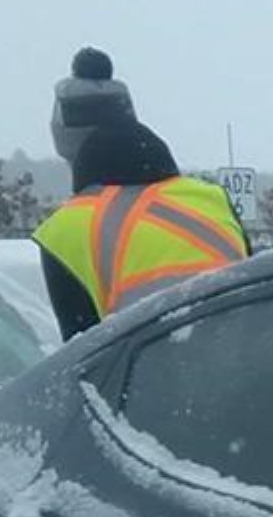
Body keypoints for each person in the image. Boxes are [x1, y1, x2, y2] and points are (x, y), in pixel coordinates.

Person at [28, 48, 251, 341]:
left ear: (64, 142)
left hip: (154, 382)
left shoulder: (68, 231)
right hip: (249, 372)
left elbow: (83, 364)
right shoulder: (211, 200)